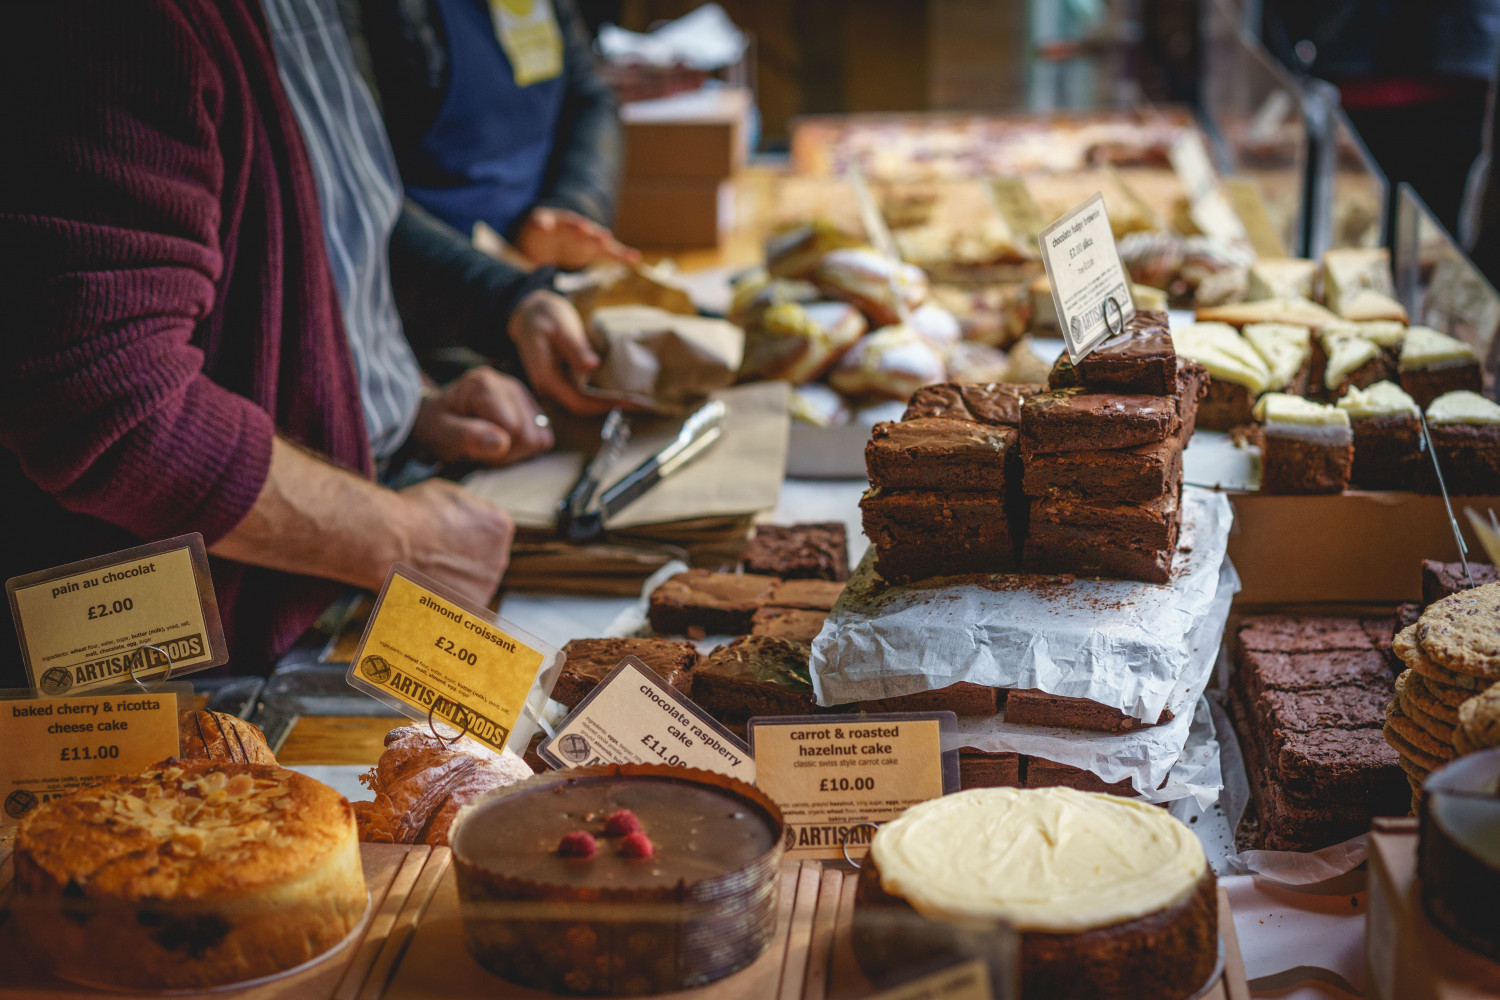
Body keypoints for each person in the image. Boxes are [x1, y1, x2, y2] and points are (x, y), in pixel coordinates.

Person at [0, 1, 600, 690]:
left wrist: (396, 396)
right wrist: (398, 536)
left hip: (327, 563)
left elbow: (315, 209)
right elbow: (113, 402)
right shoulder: (114, 23)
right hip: (170, 652)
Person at [354, 0, 639, 270]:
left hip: (539, 260)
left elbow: (587, 98)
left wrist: (573, 204)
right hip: (438, 276)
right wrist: (502, 292)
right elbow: (362, 199)